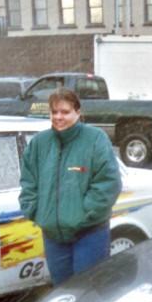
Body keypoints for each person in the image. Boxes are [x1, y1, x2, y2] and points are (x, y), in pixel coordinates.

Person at [19, 87, 122, 285]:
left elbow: (109, 183)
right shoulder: (40, 143)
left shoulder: (95, 139)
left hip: (89, 234)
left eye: (65, 112)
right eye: (54, 112)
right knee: (62, 292)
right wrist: (36, 211)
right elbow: (28, 182)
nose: (59, 117)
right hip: (53, 237)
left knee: (87, 290)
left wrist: (83, 215)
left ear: (77, 112)